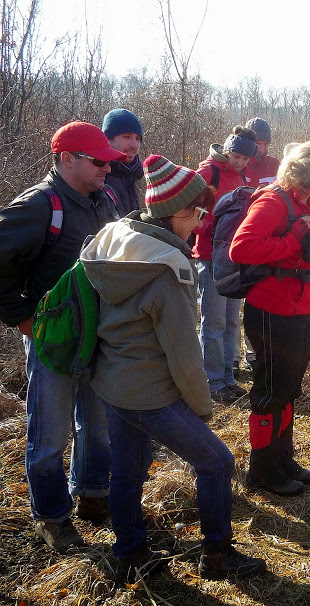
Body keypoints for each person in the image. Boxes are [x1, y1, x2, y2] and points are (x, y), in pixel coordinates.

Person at [80, 155, 266, 582]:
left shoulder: (114, 238)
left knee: (126, 470)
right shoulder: (167, 270)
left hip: (109, 381)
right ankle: (217, 555)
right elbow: (185, 355)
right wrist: (201, 410)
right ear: (177, 212)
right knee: (217, 462)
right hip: (150, 392)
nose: (200, 223)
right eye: (197, 213)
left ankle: (129, 551)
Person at [0, 121, 124, 552]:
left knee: (98, 423)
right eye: (99, 162)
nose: (107, 169)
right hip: (51, 339)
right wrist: (23, 321)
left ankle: (92, 495)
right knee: (50, 432)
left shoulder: (104, 198)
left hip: (98, 334)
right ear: (66, 158)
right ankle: (52, 517)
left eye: (109, 162)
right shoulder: (37, 206)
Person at [230, 141, 310, 496]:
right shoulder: (272, 201)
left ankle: (284, 460)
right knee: (269, 393)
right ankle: (262, 470)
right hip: (272, 310)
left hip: (303, 307)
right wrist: (296, 236)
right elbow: (242, 248)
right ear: (297, 174)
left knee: (288, 390)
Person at [193, 126, 258, 403]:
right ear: (228, 150)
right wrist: (213, 227)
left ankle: (228, 378)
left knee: (232, 320)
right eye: (236, 155)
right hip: (210, 257)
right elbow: (190, 211)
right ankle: (211, 381)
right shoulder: (209, 173)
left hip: (234, 259)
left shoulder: (242, 176)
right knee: (214, 322)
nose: (239, 161)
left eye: (245, 158)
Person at [102, 108, 144, 216]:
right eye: (127, 137)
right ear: (108, 139)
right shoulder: (98, 177)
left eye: (138, 138)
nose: (134, 145)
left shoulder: (138, 175)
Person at [243, 117, 279, 188]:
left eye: (265, 144)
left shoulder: (274, 165)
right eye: (257, 143)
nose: (261, 150)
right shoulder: (237, 164)